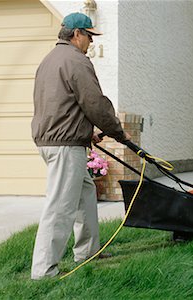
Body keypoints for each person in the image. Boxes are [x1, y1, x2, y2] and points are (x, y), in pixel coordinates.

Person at [30, 12, 130, 280]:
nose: (91, 43)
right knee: (60, 206)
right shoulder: (76, 61)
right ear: (76, 34)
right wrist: (116, 131)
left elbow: (61, 106)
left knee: (85, 194)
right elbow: (94, 103)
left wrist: (86, 135)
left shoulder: (49, 60)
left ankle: (87, 251)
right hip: (64, 145)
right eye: (89, 36)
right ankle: (43, 271)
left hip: (54, 141)